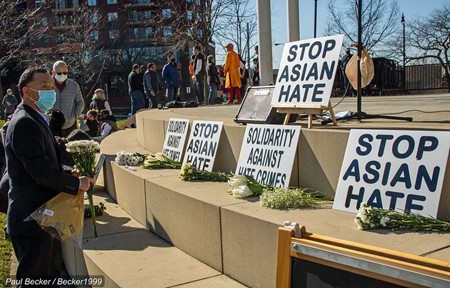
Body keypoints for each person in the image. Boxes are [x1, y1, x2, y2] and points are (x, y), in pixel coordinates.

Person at [4, 67, 93, 286]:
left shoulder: (35, 118)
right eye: (43, 87)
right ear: (26, 91)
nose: (50, 91)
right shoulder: (25, 122)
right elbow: (40, 173)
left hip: (44, 219)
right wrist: (76, 184)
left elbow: (44, 162)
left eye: (51, 87)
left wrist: (65, 172)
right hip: (32, 221)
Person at [52, 60, 85, 137]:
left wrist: (75, 116)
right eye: (59, 73)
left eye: (65, 73)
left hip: (70, 125)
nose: (62, 75)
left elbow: (80, 102)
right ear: (53, 72)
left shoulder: (74, 85)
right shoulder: (46, 85)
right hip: (52, 125)